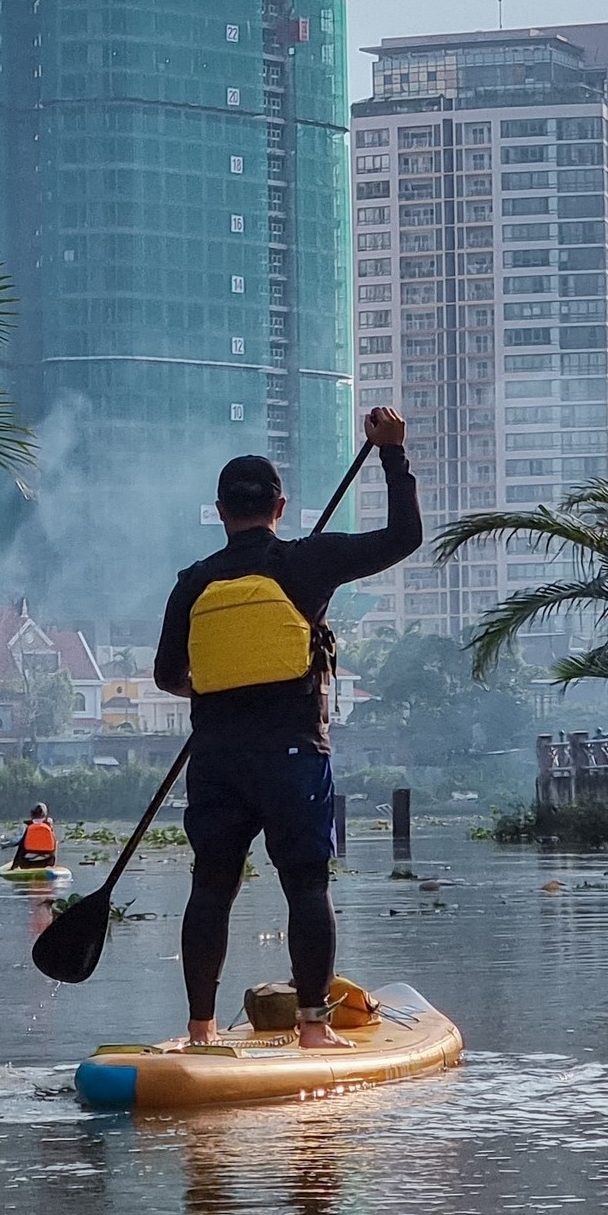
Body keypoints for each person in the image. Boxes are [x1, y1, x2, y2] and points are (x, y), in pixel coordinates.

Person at [153, 408, 421, 1050]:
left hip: (216, 755)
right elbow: (404, 536)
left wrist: (224, 691)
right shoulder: (309, 562)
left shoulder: (193, 583)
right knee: (306, 885)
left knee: (210, 886)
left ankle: (199, 1030)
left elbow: (169, 676)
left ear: (220, 511)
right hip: (293, 753)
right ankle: (313, 1029)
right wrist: (393, 454)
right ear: (280, 505)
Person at [10, 803, 58, 872]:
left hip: (27, 864)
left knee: (22, 843)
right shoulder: (49, 826)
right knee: (55, 842)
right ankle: (53, 866)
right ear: (45, 814)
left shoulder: (26, 826)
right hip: (47, 863)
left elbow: (18, 845)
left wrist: (13, 867)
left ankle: (15, 867)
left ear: (32, 814)